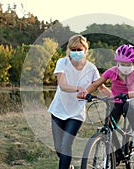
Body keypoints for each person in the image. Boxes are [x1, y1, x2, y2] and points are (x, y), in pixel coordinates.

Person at [47, 34, 110, 169]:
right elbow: (62, 85)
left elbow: (101, 87)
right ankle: (68, 165)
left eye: (79, 50)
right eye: (73, 50)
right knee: (59, 147)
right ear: (69, 50)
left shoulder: (91, 68)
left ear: (85, 50)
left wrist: (114, 97)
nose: (76, 53)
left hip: (76, 114)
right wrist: (79, 88)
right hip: (58, 110)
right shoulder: (62, 63)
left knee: (66, 145)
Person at [79, 44, 134, 147]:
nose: (125, 67)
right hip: (115, 101)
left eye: (128, 65)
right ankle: (112, 154)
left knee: (128, 107)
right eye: (122, 64)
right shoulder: (111, 71)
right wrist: (86, 93)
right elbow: (96, 84)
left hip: (129, 100)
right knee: (109, 127)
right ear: (117, 62)